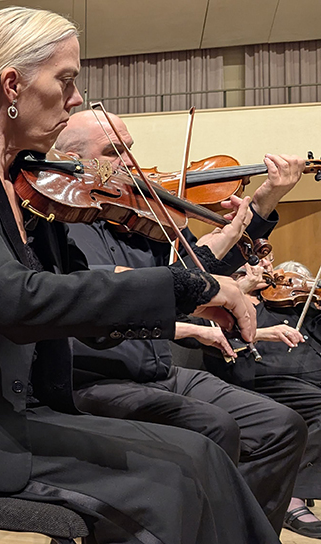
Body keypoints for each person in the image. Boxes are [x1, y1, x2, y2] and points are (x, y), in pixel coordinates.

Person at [0, 7, 285, 543]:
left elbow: (83, 306)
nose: (76, 98)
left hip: (24, 409)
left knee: (202, 453)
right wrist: (187, 286)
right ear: (12, 86)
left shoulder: (31, 189)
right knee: (170, 483)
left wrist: (185, 302)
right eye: (65, 80)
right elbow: (11, 300)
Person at [55, 109, 309, 533]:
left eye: (130, 150)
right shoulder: (57, 223)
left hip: (158, 372)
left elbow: (201, 273)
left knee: (281, 427)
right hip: (92, 377)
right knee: (213, 428)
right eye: (113, 153)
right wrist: (188, 312)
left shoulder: (144, 219)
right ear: (71, 159)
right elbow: (90, 289)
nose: (130, 163)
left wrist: (262, 203)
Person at [200, 256, 321, 538]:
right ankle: (291, 496)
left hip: (308, 377)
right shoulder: (226, 300)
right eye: (257, 261)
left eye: (269, 261)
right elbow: (212, 337)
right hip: (261, 376)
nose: (267, 266)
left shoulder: (287, 301)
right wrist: (241, 290)